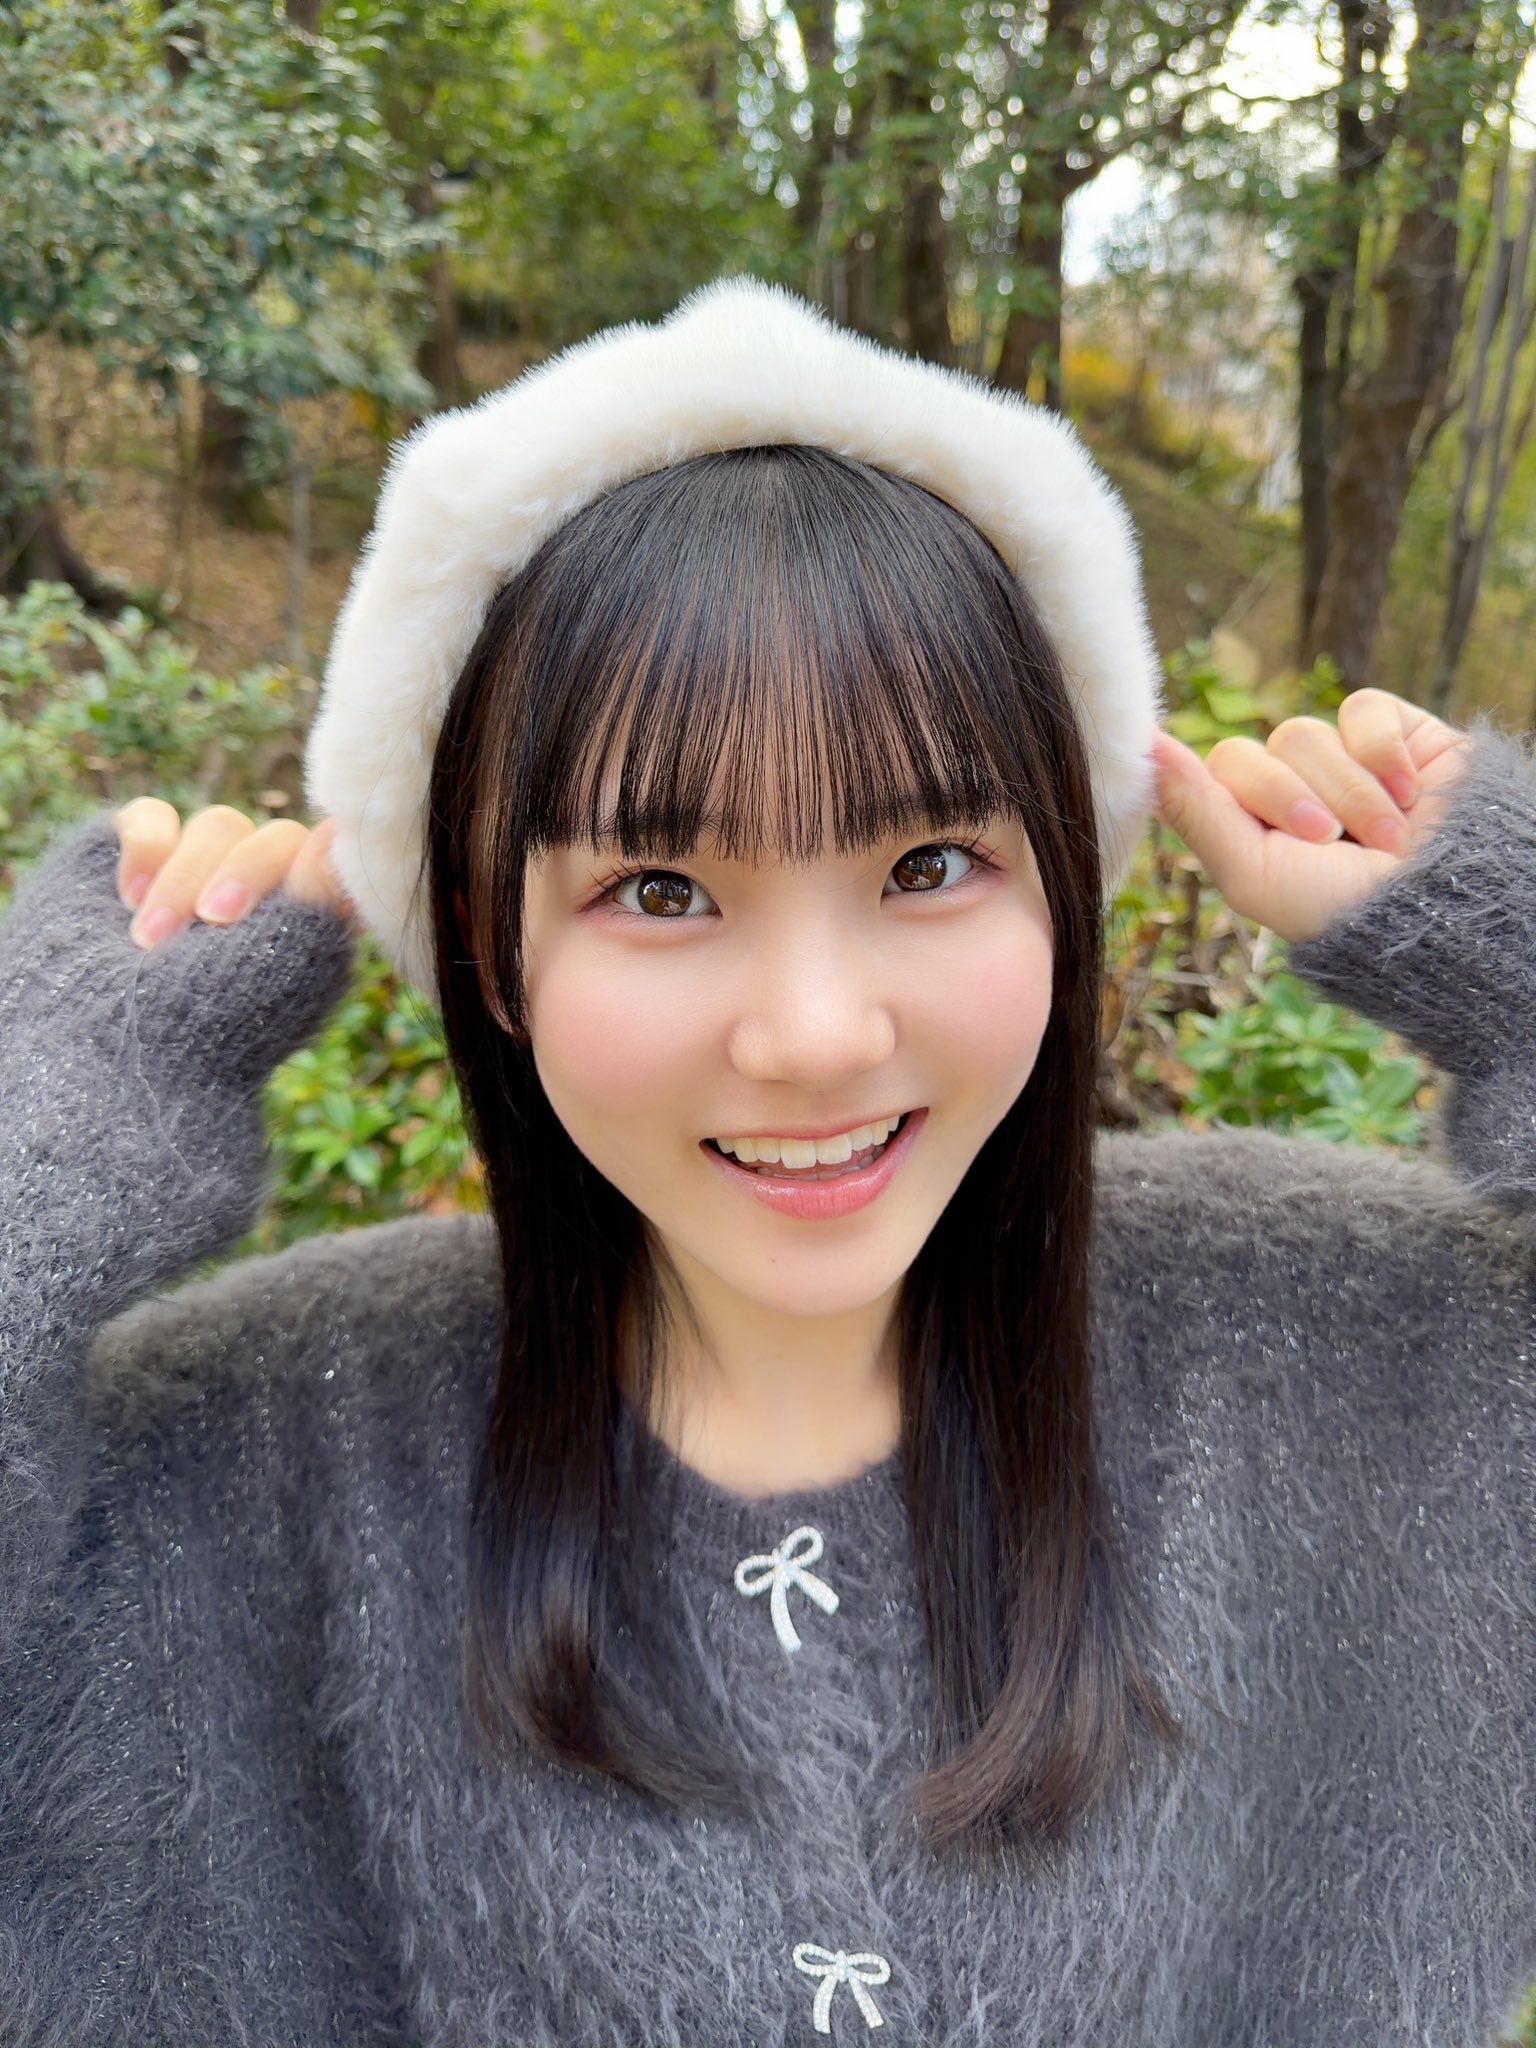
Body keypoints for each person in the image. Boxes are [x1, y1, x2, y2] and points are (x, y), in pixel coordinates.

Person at [0, 276, 1531, 2048]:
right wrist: (59, 1116)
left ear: (1064, 889)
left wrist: (1505, 934)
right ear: (494, 948)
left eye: (929, 865)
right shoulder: (235, 1467)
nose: (814, 1033)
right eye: (661, 890)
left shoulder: (1357, 1362)